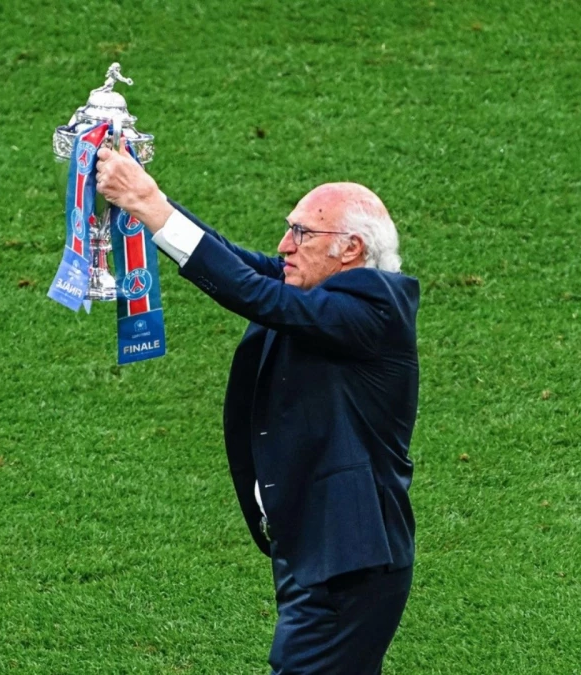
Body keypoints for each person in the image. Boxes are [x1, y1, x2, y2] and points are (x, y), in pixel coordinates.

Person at [95, 145, 419, 674]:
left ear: (351, 249)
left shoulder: (374, 309)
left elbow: (249, 293)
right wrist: (145, 203)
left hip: (347, 561)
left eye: (302, 234)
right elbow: (232, 260)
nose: (284, 244)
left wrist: (148, 201)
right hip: (318, 550)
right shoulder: (315, 287)